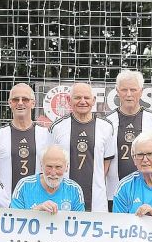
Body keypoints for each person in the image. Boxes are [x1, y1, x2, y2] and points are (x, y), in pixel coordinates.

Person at [105, 70, 152, 209]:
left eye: (133, 90)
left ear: (141, 91)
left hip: (148, 194)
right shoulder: (108, 122)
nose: (128, 94)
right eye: (124, 90)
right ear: (117, 91)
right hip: (114, 193)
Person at [49, 82, 116, 212]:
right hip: (63, 198)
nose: (82, 101)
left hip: (96, 200)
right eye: (77, 97)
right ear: (69, 100)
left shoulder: (106, 127)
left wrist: (96, 180)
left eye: (86, 98)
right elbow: (51, 161)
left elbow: (106, 162)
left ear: (93, 100)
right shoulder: (57, 127)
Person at [0, 82, 51, 198]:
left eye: (25, 99)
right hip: (6, 205)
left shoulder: (46, 135)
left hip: (39, 202)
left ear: (33, 103)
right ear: (10, 103)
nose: (20, 103)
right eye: (16, 99)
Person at [10, 145, 86, 213]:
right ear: (41, 166)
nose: (53, 173)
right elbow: (13, 219)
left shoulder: (74, 189)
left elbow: (80, 224)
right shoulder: (24, 186)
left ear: (66, 167)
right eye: (49, 167)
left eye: (58, 167)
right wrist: (37, 210)